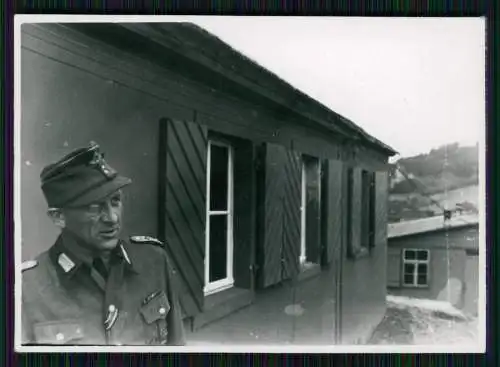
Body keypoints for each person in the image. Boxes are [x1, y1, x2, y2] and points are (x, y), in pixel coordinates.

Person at [21, 143, 186, 345]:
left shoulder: (154, 260)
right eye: (94, 207)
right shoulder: (26, 288)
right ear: (59, 217)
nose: (112, 218)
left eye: (115, 201)